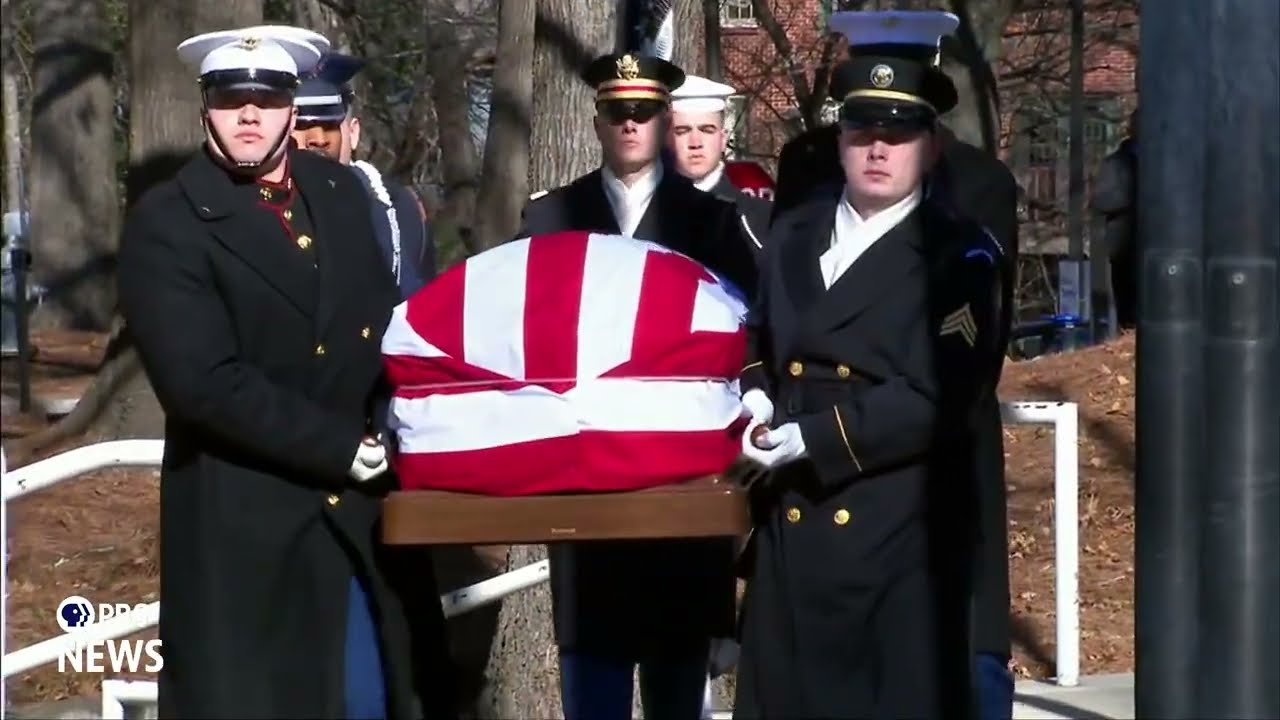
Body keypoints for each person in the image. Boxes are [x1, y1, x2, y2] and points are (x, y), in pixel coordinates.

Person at [118, 26, 420, 719]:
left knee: (372, 700)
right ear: (205, 108)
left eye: (269, 96)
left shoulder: (342, 192)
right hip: (245, 522)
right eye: (231, 98)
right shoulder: (167, 221)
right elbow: (203, 384)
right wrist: (343, 449)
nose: (249, 114)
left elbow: (380, 327)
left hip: (361, 521)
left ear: (293, 106)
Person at [731, 10, 1007, 719]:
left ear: (930, 148)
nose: (878, 148)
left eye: (899, 133)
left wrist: (813, 439)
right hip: (790, 530)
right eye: (862, 131)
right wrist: (757, 400)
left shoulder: (959, 255)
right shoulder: (792, 234)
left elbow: (938, 397)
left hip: (893, 537)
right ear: (841, 140)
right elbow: (759, 340)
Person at [517, 51, 755, 720]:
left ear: (663, 120)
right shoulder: (550, 219)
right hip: (586, 494)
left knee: (678, 690)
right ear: (596, 122)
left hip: (681, 495)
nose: (631, 125)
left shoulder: (712, 223)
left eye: (645, 112)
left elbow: (748, 337)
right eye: (618, 112)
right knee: (593, 686)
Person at [292, 51, 436, 298]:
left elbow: (421, 310)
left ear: (353, 133)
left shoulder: (401, 209)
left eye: (330, 126)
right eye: (301, 126)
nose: (318, 140)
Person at [666, 74, 771, 254]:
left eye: (707, 130)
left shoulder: (760, 220)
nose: (695, 142)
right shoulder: (645, 215)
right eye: (682, 131)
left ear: (722, 139)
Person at [1091, 109, 1138, 330]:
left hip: (1160, 245)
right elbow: (1101, 201)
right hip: (1124, 247)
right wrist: (1135, 194)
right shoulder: (1114, 164)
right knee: (1127, 307)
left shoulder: (1165, 161)